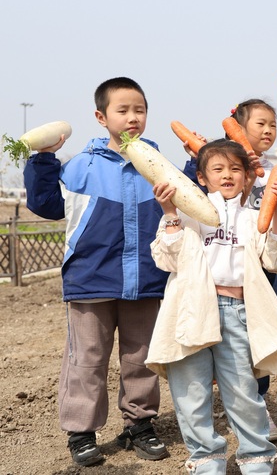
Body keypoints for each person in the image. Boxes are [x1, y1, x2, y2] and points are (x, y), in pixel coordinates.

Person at [23, 77, 169, 467]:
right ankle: (82, 431)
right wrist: (43, 160)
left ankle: (139, 424)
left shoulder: (157, 165)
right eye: (123, 110)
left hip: (146, 279)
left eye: (140, 110)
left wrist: (194, 163)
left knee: (141, 359)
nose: (133, 117)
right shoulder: (81, 166)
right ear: (101, 117)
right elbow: (47, 203)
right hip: (90, 280)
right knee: (86, 359)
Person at [146, 139, 277, 474]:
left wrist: (276, 212)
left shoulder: (253, 218)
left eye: (235, 169)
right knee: (191, 393)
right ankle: (206, 463)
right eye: (218, 169)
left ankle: (256, 462)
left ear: (247, 176)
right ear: (202, 178)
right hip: (191, 310)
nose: (227, 175)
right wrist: (170, 213)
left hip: (237, 311)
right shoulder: (187, 216)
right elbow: (166, 259)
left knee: (243, 393)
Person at [182, 100, 277, 440]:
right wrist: (242, 173)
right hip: (248, 267)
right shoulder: (232, 169)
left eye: (273, 124)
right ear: (239, 128)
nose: (268, 130)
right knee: (254, 338)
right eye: (261, 124)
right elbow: (211, 205)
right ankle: (257, 403)